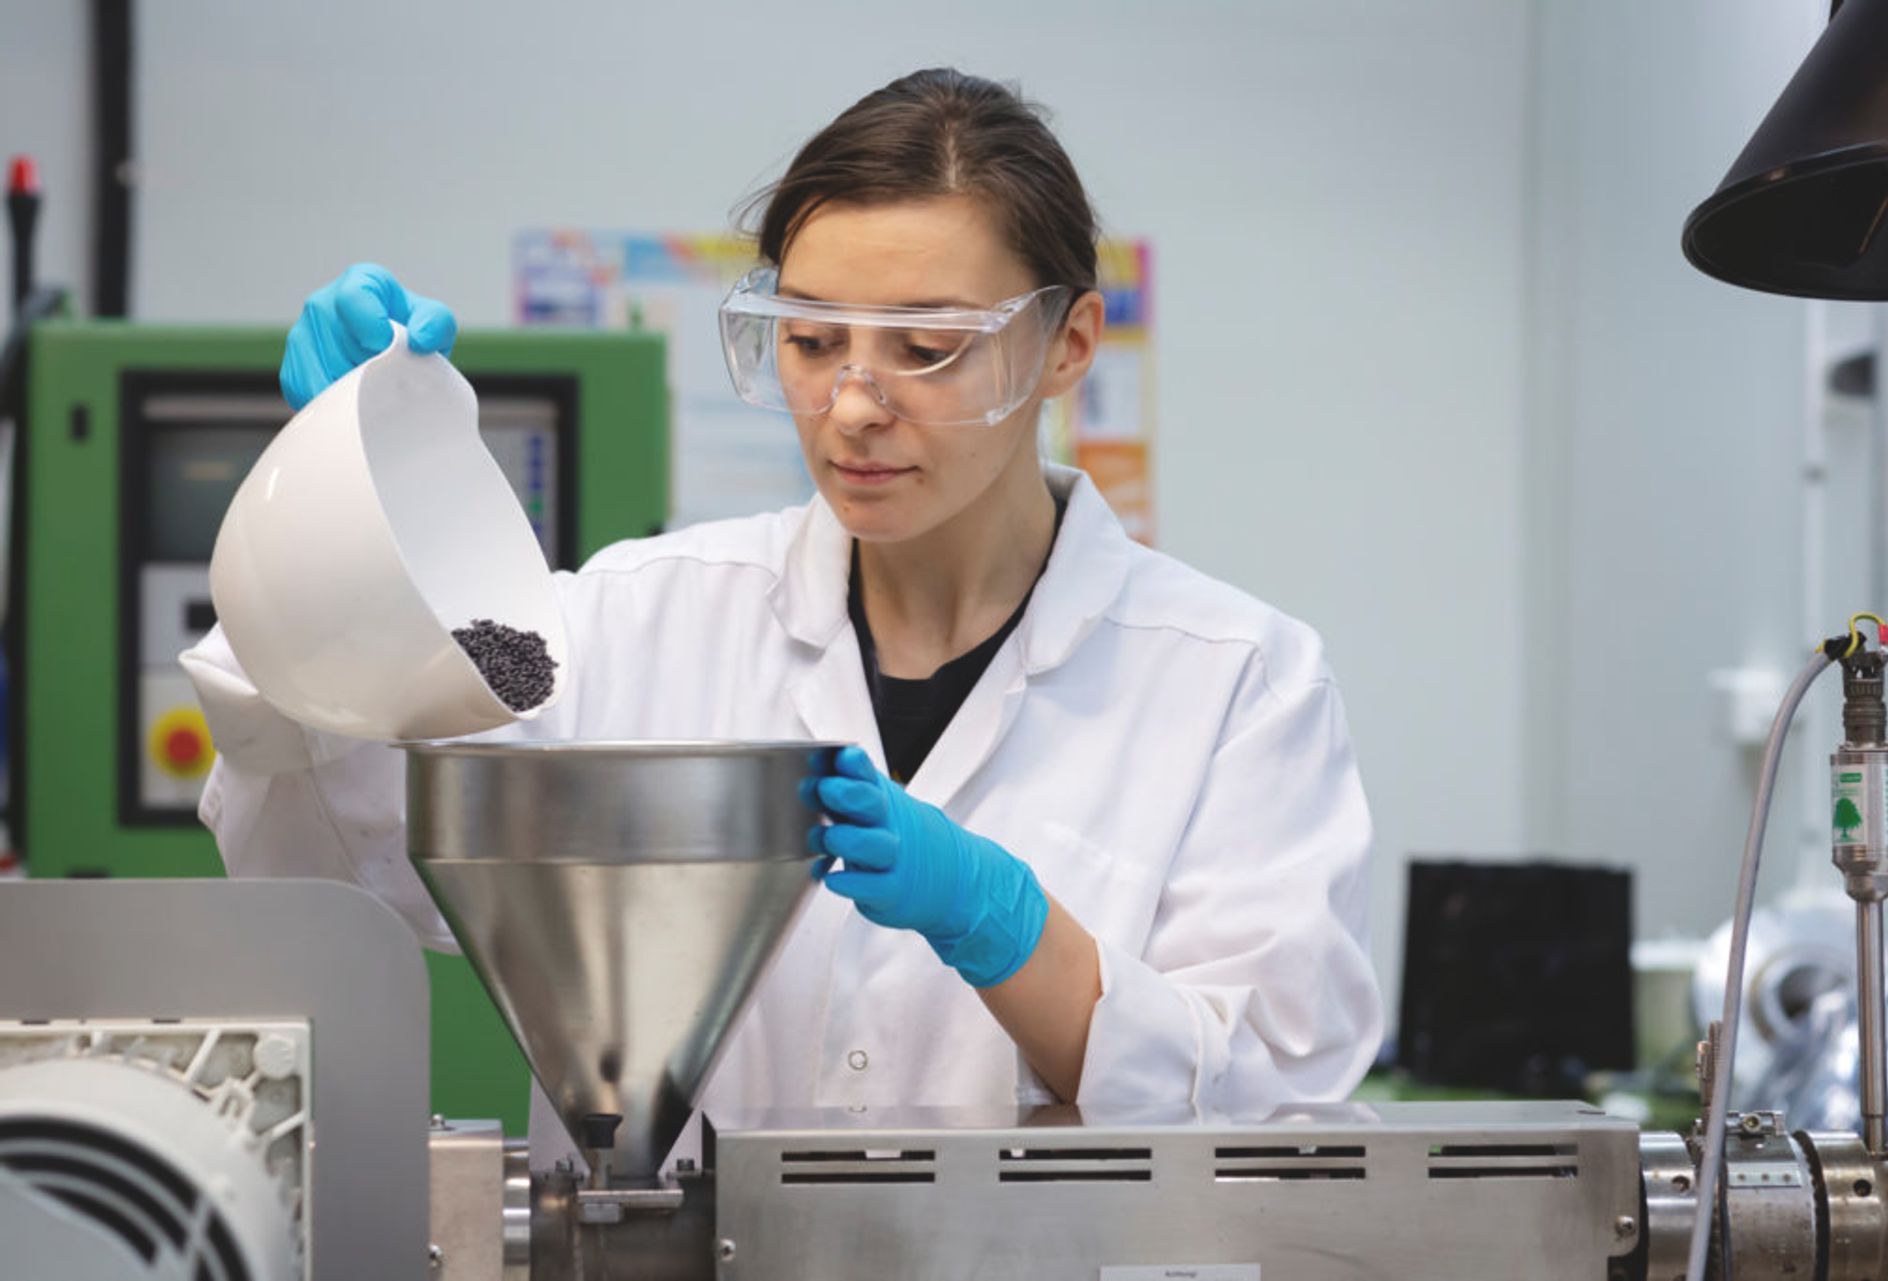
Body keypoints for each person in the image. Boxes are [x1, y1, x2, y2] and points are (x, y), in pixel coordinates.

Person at [183, 67, 1382, 1170]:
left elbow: (1276, 1121)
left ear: (1066, 344)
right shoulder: (633, 620)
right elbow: (340, 866)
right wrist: (335, 514)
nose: (852, 406)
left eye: (924, 349)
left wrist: (1016, 937)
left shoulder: (1237, 684)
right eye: (809, 342)